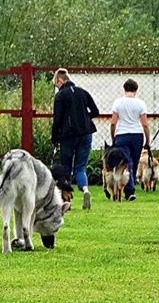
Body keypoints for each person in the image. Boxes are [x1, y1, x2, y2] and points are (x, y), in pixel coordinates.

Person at [51, 68, 98, 210]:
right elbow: (95, 111)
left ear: (59, 80)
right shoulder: (82, 92)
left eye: (56, 84)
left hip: (68, 136)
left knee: (66, 168)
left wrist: (54, 137)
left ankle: (67, 200)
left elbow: (57, 119)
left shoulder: (60, 96)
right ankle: (85, 190)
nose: (56, 87)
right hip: (86, 133)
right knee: (80, 167)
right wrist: (84, 119)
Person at [109, 79, 150, 201]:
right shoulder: (141, 103)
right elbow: (145, 124)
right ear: (136, 90)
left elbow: (113, 123)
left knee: (127, 163)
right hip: (137, 135)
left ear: (124, 89)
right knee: (134, 162)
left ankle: (129, 190)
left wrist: (113, 137)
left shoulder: (118, 103)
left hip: (122, 135)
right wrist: (147, 140)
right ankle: (130, 190)